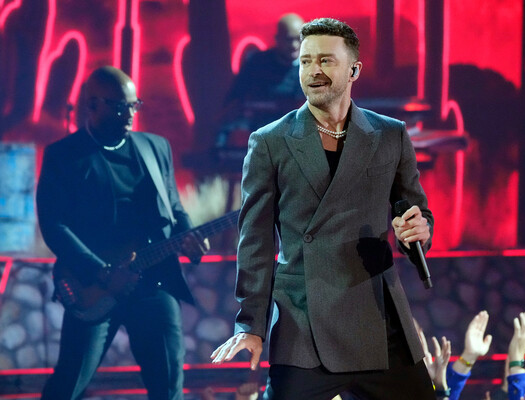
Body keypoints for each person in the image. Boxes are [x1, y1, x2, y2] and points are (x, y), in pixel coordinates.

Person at [212, 18, 435, 399]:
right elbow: (255, 241)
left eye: (326, 60)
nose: (313, 70)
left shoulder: (390, 134)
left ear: (353, 70)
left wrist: (419, 230)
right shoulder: (270, 141)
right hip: (303, 320)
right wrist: (250, 324)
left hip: (376, 315)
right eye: (305, 61)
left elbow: (415, 213)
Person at [37, 66, 208, 400]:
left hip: (153, 280)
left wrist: (189, 236)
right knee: (68, 384)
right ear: (91, 105)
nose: (129, 114)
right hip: (95, 285)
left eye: (133, 105)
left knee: (168, 386)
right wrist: (102, 273)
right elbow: (54, 226)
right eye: (118, 107)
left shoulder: (155, 148)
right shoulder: (64, 156)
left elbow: (174, 208)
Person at [216, 13, 306, 147]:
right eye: (289, 40)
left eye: (298, 39)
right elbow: (235, 97)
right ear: (278, 39)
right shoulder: (257, 63)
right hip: (259, 126)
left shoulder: (313, 66)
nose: (294, 45)